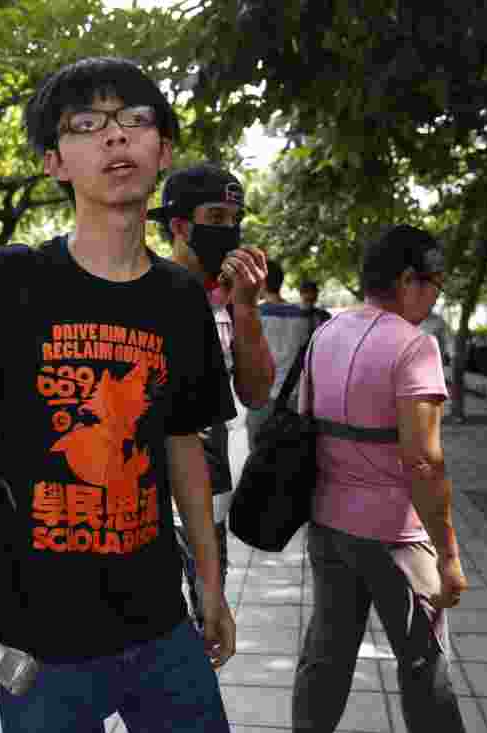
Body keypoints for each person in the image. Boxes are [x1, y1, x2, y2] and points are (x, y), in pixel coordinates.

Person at [0, 57, 236, 732]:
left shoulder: (182, 299)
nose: (115, 138)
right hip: (38, 640)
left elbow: (183, 444)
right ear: (55, 163)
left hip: (160, 624)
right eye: (87, 125)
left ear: (164, 150)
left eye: (135, 120)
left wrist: (210, 582)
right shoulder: (13, 280)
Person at [292, 224, 468, 732]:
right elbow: (424, 463)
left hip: (327, 527)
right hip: (396, 538)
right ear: (410, 279)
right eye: (435, 283)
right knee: (423, 665)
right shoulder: (415, 347)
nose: (435, 297)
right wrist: (449, 557)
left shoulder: (324, 333)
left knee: (325, 658)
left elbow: (306, 430)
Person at [150, 163, 274, 629]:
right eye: (216, 218)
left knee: (206, 618)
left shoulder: (232, 297)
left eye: (235, 219)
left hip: (209, 492)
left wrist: (245, 308)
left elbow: (257, 391)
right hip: (140, 489)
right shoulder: (142, 287)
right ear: (180, 225)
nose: (230, 230)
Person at [247, 259, 312, 444]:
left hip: (262, 398)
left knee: (258, 458)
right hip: (292, 398)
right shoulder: (303, 316)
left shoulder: (255, 315)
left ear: (263, 282)